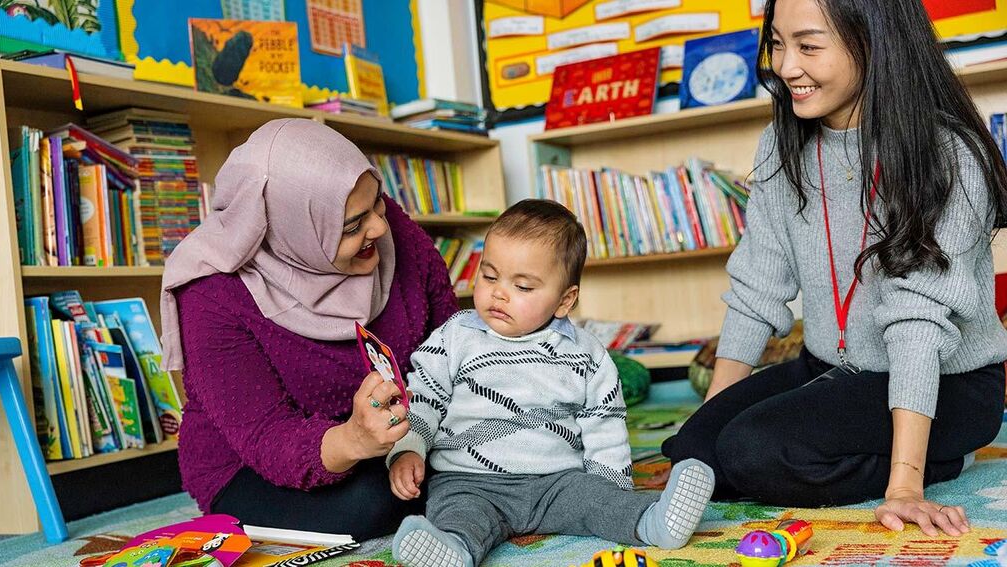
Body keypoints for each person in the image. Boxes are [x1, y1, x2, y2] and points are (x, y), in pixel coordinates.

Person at [661, 0, 1007, 539]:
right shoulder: (782, 144)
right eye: (776, 43)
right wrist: (709, 424)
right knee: (698, 455)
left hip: (945, 382)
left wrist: (906, 485)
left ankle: (947, 460)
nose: (785, 66)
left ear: (873, 43)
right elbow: (757, 287)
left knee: (754, 452)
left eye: (808, 45)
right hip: (831, 367)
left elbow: (918, 328)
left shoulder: (946, 155)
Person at [158, 118, 458, 540]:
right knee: (381, 502)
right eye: (352, 225)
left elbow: (454, 342)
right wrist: (354, 440)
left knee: (499, 458)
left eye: (379, 203)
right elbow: (266, 435)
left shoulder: (396, 234)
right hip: (256, 464)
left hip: (407, 432)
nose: (380, 228)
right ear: (292, 227)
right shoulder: (211, 294)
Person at [385, 200, 716, 567]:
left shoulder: (584, 353)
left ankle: (653, 523)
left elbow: (604, 424)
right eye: (489, 276)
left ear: (564, 300)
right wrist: (408, 449)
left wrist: (612, 491)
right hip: (469, 480)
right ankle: (455, 550)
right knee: (459, 515)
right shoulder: (455, 335)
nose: (499, 292)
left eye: (523, 286)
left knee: (598, 502)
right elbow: (424, 395)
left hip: (557, 482)